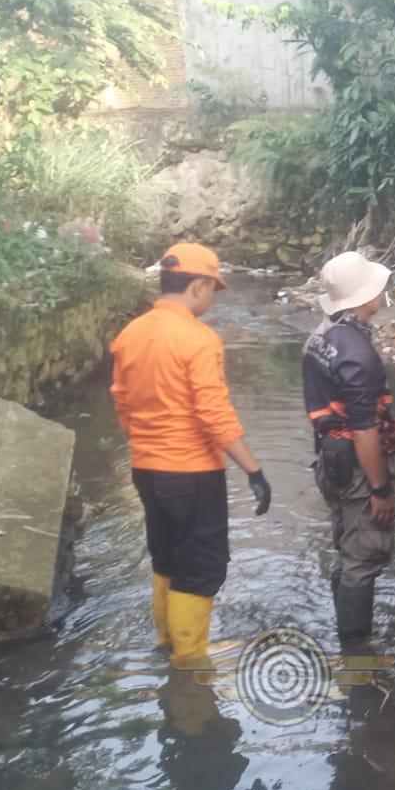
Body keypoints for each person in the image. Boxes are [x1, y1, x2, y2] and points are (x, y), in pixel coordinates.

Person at [110, 242, 272, 667]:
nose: (211, 299)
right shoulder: (198, 339)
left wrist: (147, 442)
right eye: (212, 290)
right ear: (199, 286)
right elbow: (213, 414)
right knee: (201, 566)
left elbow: (122, 400)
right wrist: (253, 471)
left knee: (166, 556)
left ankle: (167, 642)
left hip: (146, 468)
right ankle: (190, 657)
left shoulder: (130, 334)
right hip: (192, 472)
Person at [302, 251, 395, 646]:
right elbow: (364, 430)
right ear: (365, 295)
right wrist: (380, 489)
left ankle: (346, 640)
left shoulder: (321, 335)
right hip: (358, 466)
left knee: (347, 550)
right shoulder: (357, 354)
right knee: (363, 555)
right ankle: (356, 651)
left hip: (331, 460)